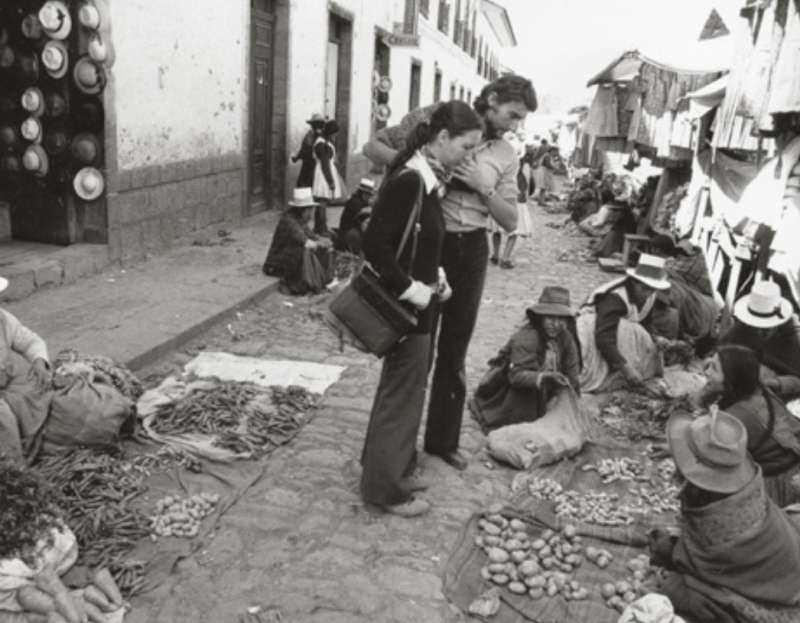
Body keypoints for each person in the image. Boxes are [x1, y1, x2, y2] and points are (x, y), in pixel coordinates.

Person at [363, 75, 538, 471]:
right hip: (428, 245)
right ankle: (398, 448)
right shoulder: (437, 119)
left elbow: (511, 221)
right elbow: (372, 146)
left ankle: (443, 441)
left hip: (472, 249)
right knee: (413, 351)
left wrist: (482, 187)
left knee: (454, 351)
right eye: (511, 114)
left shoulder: (507, 154)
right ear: (492, 99)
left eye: (520, 119)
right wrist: (424, 168)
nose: (514, 124)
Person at [360, 101, 483, 517]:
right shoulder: (411, 180)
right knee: (401, 395)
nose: (469, 156)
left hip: (422, 303)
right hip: (406, 308)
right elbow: (374, 244)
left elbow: (422, 242)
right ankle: (385, 489)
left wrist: (438, 274)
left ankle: (394, 467)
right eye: (466, 146)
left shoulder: (428, 180)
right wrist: (409, 286)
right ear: (442, 138)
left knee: (407, 393)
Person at [650, 407, 800, 623]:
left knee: (675, 589)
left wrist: (675, 560)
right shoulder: (740, 485)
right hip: (782, 559)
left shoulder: (717, 515)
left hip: (777, 592)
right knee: (666, 548)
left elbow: (706, 563)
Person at [698, 343, 800, 506]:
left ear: (731, 381)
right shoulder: (757, 389)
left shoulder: (736, 417)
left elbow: (708, 455)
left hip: (778, 482)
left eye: (714, 369)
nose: (707, 371)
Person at [469, 286, 580, 430]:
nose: (556, 324)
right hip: (515, 387)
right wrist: (545, 377)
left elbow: (573, 371)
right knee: (522, 418)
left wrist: (574, 399)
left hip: (548, 387)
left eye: (561, 319)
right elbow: (516, 376)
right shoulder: (526, 338)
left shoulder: (565, 337)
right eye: (550, 318)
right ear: (540, 317)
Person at [577, 253, 677, 392]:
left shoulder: (650, 295)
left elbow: (645, 322)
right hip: (592, 329)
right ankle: (610, 370)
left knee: (637, 334)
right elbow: (604, 338)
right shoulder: (616, 297)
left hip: (619, 332)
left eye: (652, 289)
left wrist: (655, 338)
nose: (647, 294)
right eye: (644, 288)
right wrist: (625, 367)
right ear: (634, 282)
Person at [0, 278, 52, 463]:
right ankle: (13, 469)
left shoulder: (3, 319)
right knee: (4, 419)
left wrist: (38, 360)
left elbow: (30, 341)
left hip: (5, 382)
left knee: (42, 389)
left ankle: (35, 443)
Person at [722, 280, 800, 400]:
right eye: (755, 325)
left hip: (775, 394)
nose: (759, 331)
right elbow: (722, 350)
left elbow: (797, 382)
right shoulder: (742, 327)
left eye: (765, 327)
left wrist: (775, 383)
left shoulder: (795, 337)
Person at [262, 188, 332, 294]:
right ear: (303, 210)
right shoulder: (289, 221)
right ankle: (301, 284)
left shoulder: (299, 219)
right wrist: (319, 243)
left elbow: (310, 235)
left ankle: (316, 280)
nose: (310, 214)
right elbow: (304, 240)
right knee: (304, 250)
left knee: (315, 249)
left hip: (285, 260)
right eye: (310, 210)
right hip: (275, 265)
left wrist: (321, 239)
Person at [489, 131, 532, 269]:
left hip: (498, 196)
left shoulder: (497, 162)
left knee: (496, 229)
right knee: (514, 230)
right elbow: (527, 183)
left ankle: (495, 255)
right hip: (515, 199)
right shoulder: (522, 166)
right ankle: (505, 258)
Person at [311, 119, 346, 235]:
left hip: (324, 171)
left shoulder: (325, 141)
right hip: (323, 174)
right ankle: (321, 228)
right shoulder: (322, 144)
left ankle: (320, 227)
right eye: (335, 133)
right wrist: (330, 181)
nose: (335, 136)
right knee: (322, 202)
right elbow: (325, 164)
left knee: (322, 202)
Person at [335, 178, 375, 256]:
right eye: (367, 194)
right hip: (348, 234)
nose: (369, 197)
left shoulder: (362, 202)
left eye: (369, 195)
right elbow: (363, 218)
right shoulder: (355, 203)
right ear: (362, 193)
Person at [292, 113, 326, 189]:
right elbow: (304, 149)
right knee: (304, 187)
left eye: (319, 124)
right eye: (315, 124)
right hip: (308, 166)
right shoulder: (309, 135)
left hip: (318, 166)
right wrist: (296, 158)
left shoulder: (324, 136)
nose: (317, 126)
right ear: (312, 125)